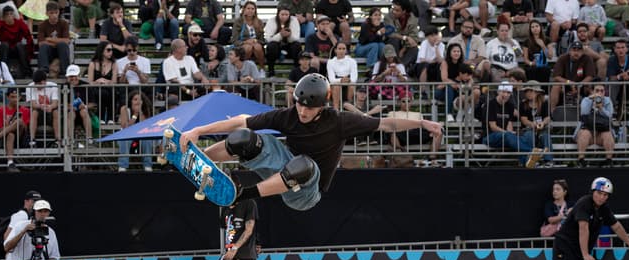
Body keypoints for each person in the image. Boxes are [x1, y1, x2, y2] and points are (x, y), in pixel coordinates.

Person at [179, 73, 443, 211]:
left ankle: (242, 194)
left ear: (322, 107)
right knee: (244, 138)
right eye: (299, 106)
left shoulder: (339, 121)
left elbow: (388, 123)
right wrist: (198, 132)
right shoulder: (288, 115)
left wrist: (422, 123)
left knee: (304, 165)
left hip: (306, 192)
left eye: (309, 109)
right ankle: (200, 160)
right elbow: (240, 120)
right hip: (281, 169)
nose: (302, 113)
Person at [483, 81, 543, 166]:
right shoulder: (490, 105)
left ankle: (528, 162)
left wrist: (511, 133)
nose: (506, 95)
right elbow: (493, 127)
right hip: (490, 136)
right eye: (503, 92)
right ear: (498, 92)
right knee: (509, 135)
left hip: (505, 137)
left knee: (526, 137)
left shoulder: (510, 106)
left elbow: (509, 124)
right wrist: (508, 133)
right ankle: (532, 152)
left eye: (508, 92)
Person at [0, 87, 30, 171]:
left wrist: (12, 124)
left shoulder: (25, 110)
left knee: (19, 121)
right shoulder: (0, 110)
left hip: (20, 137)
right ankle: (10, 163)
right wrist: (9, 127)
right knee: (10, 134)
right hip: (6, 138)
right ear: (8, 97)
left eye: (16, 97)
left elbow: (25, 128)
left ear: (20, 97)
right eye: (12, 97)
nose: (15, 99)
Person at [575, 82, 615, 166]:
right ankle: (581, 160)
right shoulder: (586, 100)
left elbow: (609, 116)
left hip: (602, 132)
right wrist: (591, 100)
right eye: (597, 90)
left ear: (604, 92)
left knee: (608, 134)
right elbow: (583, 114)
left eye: (602, 91)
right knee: (584, 134)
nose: (599, 93)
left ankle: (609, 160)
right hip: (588, 131)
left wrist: (601, 108)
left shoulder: (607, 100)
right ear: (592, 91)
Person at [0, 6, 33, 78]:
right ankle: (2, 71)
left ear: (14, 15)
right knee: (4, 44)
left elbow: (29, 38)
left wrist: (29, 55)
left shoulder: (20, 24)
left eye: (11, 14)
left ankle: (26, 71)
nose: (9, 16)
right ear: (3, 17)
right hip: (4, 50)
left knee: (19, 45)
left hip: (17, 49)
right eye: (7, 14)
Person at [550, 40, 595, 109]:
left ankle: (594, 112)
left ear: (582, 52)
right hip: (565, 85)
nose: (576, 53)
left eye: (579, 50)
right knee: (556, 86)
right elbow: (556, 76)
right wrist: (569, 82)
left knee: (591, 88)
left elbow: (590, 76)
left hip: (582, 85)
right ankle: (552, 113)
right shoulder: (562, 58)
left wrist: (579, 85)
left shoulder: (587, 58)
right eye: (574, 50)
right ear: (570, 51)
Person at [118, 91, 155, 172]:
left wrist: (140, 113)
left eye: (140, 100)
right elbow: (125, 127)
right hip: (128, 135)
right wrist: (135, 114)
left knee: (147, 139)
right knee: (125, 139)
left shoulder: (146, 109)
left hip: (141, 135)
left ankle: (147, 165)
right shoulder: (124, 109)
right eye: (135, 99)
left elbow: (146, 127)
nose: (138, 102)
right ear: (130, 101)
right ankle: (123, 166)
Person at [520, 80, 553, 163]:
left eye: (531, 91)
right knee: (529, 135)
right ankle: (530, 160)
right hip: (528, 129)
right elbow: (524, 120)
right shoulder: (523, 104)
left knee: (546, 136)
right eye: (526, 91)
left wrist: (543, 123)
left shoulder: (544, 103)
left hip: (542, 129)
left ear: (537, 92)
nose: (528, 93)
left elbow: (548, 117)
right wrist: (532, 124)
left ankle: (548, 161)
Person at [88, 41, 121, 123]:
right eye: (108, 50)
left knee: (111, 91)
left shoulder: (114, 64)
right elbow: (90, 82)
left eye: (112, 50)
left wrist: (106, 81)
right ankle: (107, 117)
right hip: (96, 89)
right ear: (101, 50)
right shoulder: (93, 64)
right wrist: (98, 81)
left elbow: (114, 82)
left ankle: (107, 118)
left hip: (109, 89)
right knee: (103, 92)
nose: (111, 52)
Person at [265, 7, 303, 75]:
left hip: (289, 47)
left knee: (297, 45)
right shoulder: (271, 21)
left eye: (286, 14)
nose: (284, 16)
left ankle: (297, 70)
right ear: (278, 14)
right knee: (271, 46)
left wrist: (289, 35)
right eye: (282, 14)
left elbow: (296, 38)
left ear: (289, 15)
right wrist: (280, 34)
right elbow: (268, 39)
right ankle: (271, 70)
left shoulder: (294, 20)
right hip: (276, 48)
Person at [605, 39, 629, 118]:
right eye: (618, 48)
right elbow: (610, 78)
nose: (621, 50)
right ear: (615, 50)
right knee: (613, 83)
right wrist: (620, 76)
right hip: (617, 91)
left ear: (626, 49)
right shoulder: (612, 60)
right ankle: (610, 113)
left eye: (623, 47)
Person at [37, 2, 71, 77]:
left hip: (61, 52)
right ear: (47, 13)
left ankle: (64, 71)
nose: (54, 15)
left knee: (62, 45)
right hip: (49, 52)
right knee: (44, 47)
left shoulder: (64, 23)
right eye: (51, 13)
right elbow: (41, 44)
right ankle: (44, 71)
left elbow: (67, 41)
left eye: (56, 12)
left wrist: (49, 39)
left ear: (59, 12)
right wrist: (57, 42)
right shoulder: (42, 25)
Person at [231, 0, 266, 67]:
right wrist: (245, 42)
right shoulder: (238, 22)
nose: (250, 10)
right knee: (248, 47)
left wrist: (255, 41)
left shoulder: (259, 22)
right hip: (242, 45)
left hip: (257, 46)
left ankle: (262, 69)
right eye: (248, 8)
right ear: (244, 9)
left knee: (257, 46)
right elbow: (234, 40)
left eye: (253, 9)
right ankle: (243, 69)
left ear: (255, 11)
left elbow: (262, 40)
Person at [66, 65, 95, 144]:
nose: (72, 78)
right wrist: (69, 106)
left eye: (74, 76)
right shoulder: (64, 87)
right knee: (71, 113)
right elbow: (62, 104)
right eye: (70, 76)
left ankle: (89, 138)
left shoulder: (86, 86)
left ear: (78, 76)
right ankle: (70, 139)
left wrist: (85, 106)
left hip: (84, 112)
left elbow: (92, 104)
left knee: (83, 111)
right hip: (70, 112)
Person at [326, 41, 358, 108]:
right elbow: (331, 79)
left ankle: (349, 106)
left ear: (346, 50)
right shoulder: (330, 62)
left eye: (343, 49)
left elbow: (354, 78)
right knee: (337, 85)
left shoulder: (352, 61)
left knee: (352, 85)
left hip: (348, 82)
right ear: (335, 50)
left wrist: (347, 80)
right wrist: (341, 80)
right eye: (339, 49)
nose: (341, 51)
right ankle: (336, 109)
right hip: (336, 84)